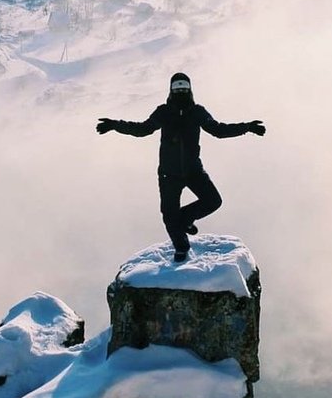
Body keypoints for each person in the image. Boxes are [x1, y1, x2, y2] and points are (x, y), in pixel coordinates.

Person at [96, 71, 266, 262]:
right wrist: (114, 125)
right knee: (169, 215)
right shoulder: (163, 112)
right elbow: (142, 129)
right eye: (177, 88)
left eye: (184, 87)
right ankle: (181, 248)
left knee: (213, 201)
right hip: (169, 174)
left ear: (190, 89)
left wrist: (247, 127)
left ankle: (184, 220)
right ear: (170, 90)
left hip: (194, 171)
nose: (181, 91)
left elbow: (218, 130)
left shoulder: (198, 112)